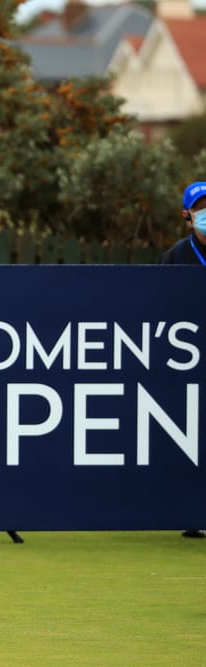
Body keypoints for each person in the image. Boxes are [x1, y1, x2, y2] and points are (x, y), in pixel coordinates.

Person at [159, 182, 206, 539]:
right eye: (201, 207)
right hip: (188, 362)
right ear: (187, 215)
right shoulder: (175, 256)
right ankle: (193, 513)